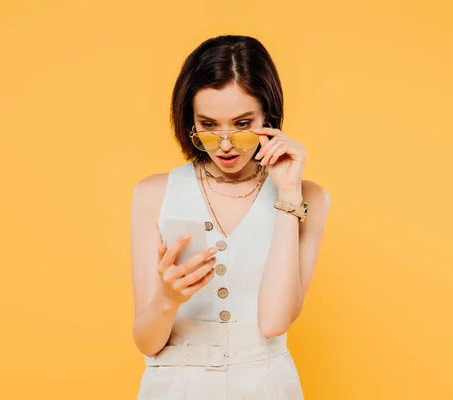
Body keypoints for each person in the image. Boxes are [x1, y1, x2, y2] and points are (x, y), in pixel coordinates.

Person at [130, 34, 331, 399]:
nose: (225, 144)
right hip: (176, 386)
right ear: (189, 119)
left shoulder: (309, 197)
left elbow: (273, 322)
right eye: (208, 125)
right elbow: (146, 342)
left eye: (241, 125)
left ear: (267, 115)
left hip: (266, 384)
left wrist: (288, 194)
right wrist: (169, 297)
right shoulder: (153, 194)